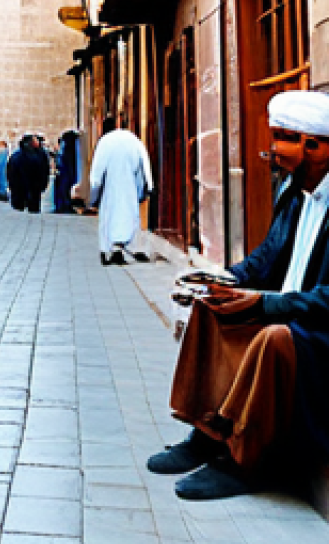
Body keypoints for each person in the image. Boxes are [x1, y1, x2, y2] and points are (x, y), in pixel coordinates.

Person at [147, 89, 329, 500]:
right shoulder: (293, 193)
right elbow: (266, 258)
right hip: (290, 310)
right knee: (213, 309)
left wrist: (266, 304)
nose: (272, 151)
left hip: (317, 331)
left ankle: (245, 460)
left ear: (314, 146)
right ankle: (206, 435)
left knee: (275, 338)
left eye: (281, 138)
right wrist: (224, 281)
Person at [89, 116, 152, 264]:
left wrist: (94, 193)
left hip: (110, 189)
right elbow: (144, 163)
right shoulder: (132, 139)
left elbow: (96, 173)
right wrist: (147, 186)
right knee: (130, 217)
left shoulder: (104, 142)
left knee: (109, 219)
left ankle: (109, 250)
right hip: (130, 187)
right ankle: (128, 248)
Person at [8, 133, 51, 213]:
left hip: (22, 188)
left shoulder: (16, 155)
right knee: (32, 209)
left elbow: (10, 172)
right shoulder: (39, 155)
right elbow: (44, 171)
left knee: (20, 210)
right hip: (32, 188)